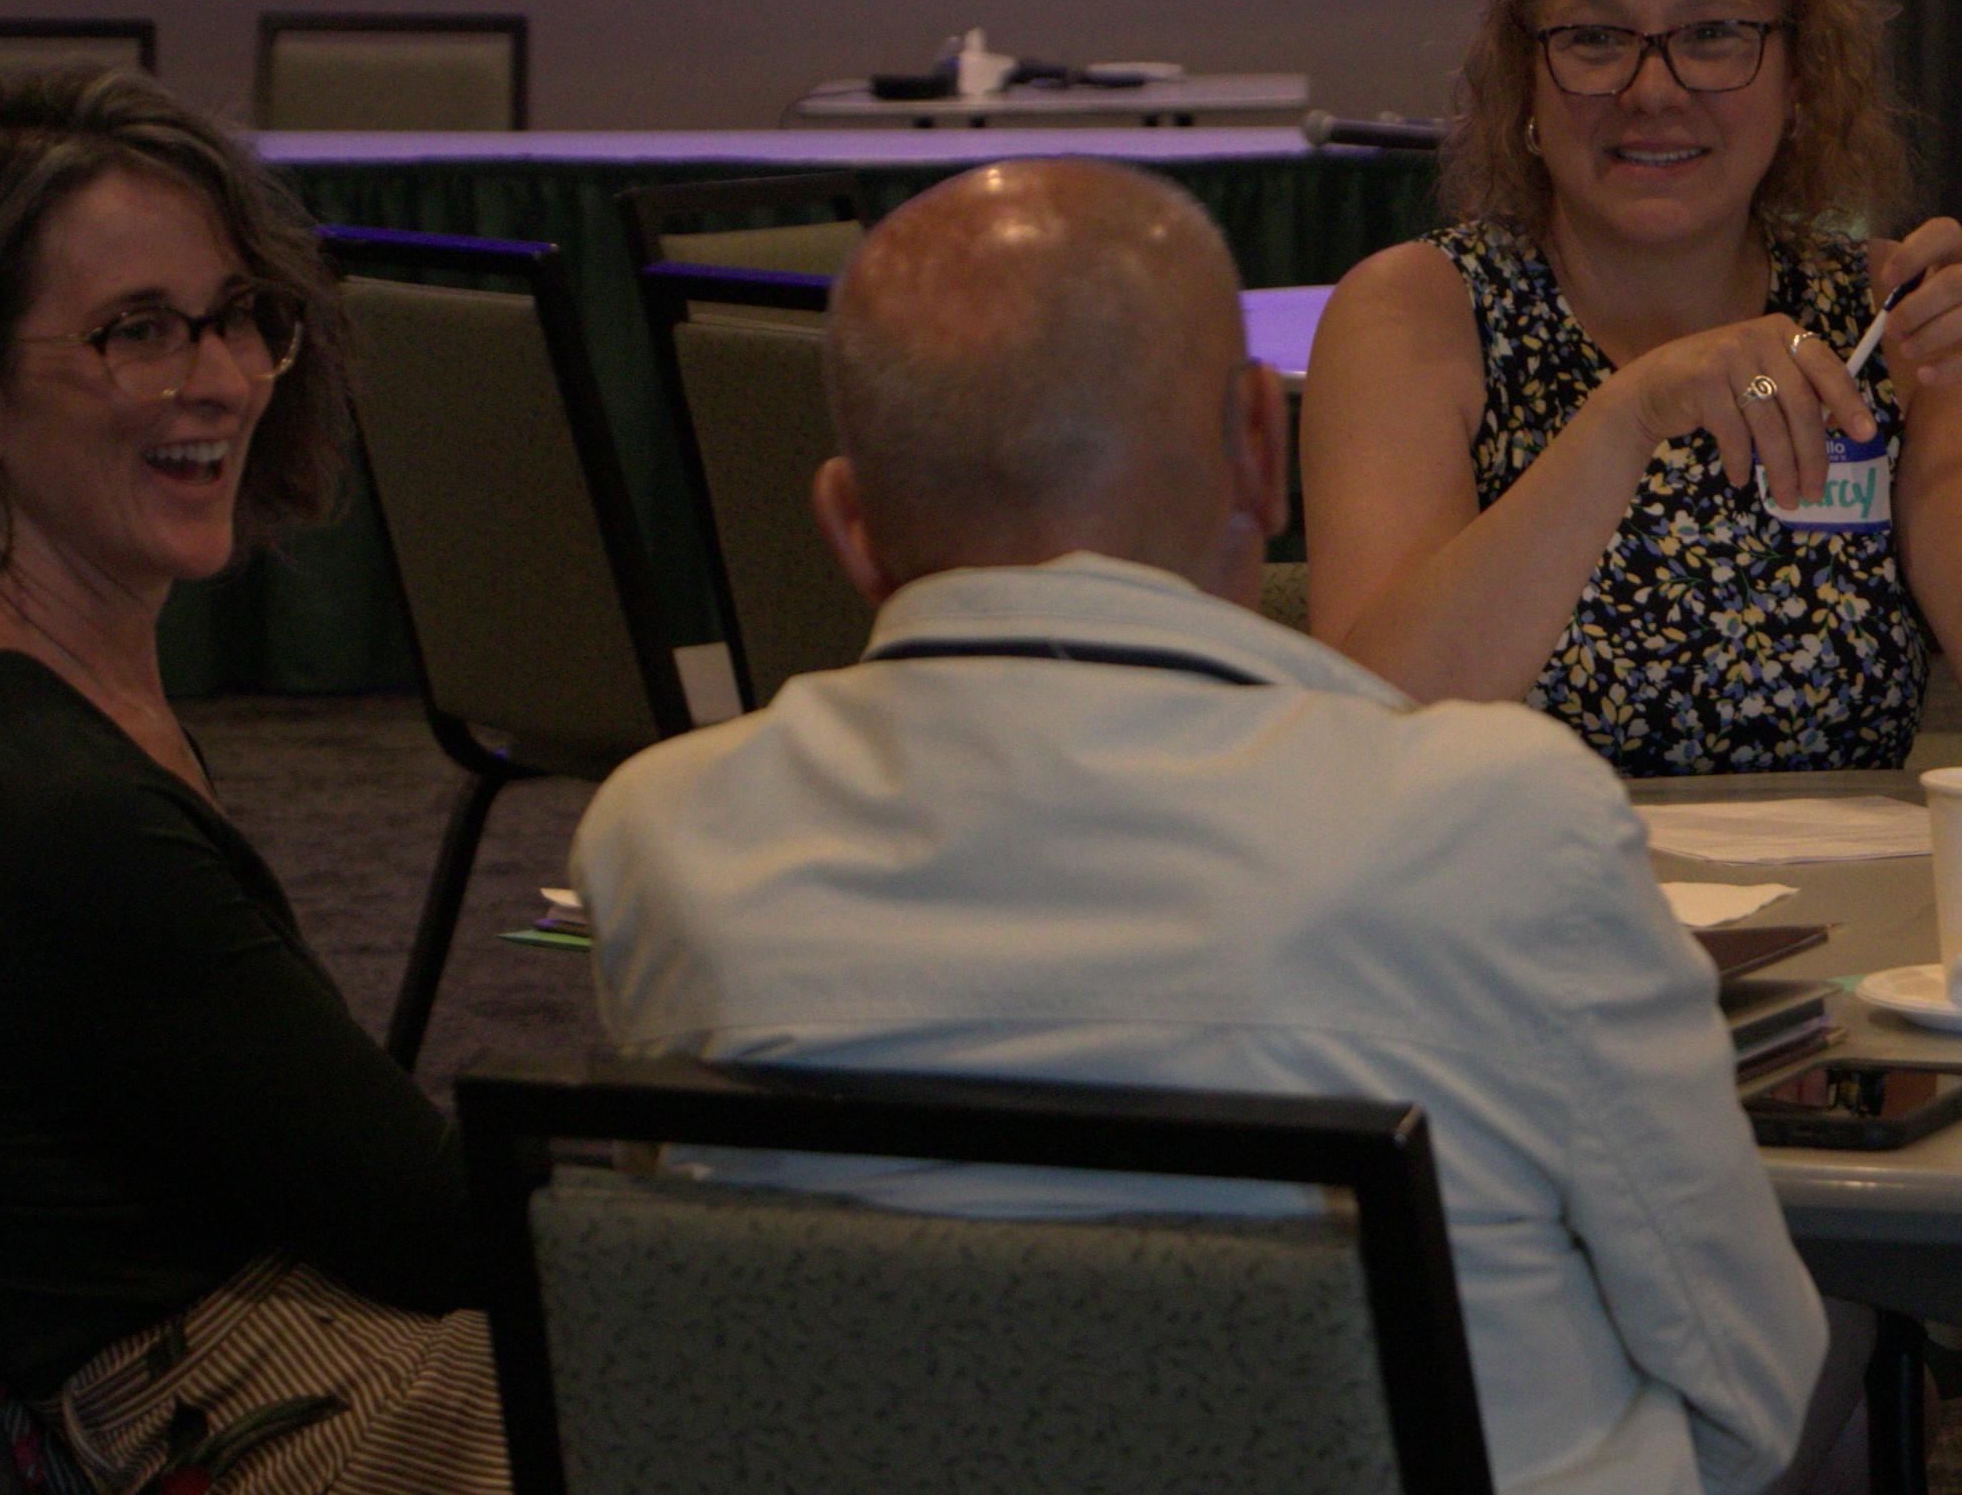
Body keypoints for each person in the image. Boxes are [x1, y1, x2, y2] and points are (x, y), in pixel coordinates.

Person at [576, 158, 1858, 1495]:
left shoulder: (662, 838)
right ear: (1262, 440)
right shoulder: (1498, 818)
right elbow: (1749, 1391)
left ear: (846, 523)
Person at [0, 69, 507, 1495]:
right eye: (134, 333)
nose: (216, 378)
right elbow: (441, 1225)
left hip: (250, 1341)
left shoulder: (0, 701)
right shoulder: (34, 813)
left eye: (232, 315)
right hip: (258, 1418)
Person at [1302, 0, 1962, 778]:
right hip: (1516, 910)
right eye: (1597, 37)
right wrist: (1627, 417)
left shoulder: (1887, 323)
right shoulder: (1418, 311)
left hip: (1854, 915)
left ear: (1800, 76)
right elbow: (1369, 731)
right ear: (1523, 81)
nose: (1653, 88)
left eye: (1711, 34)